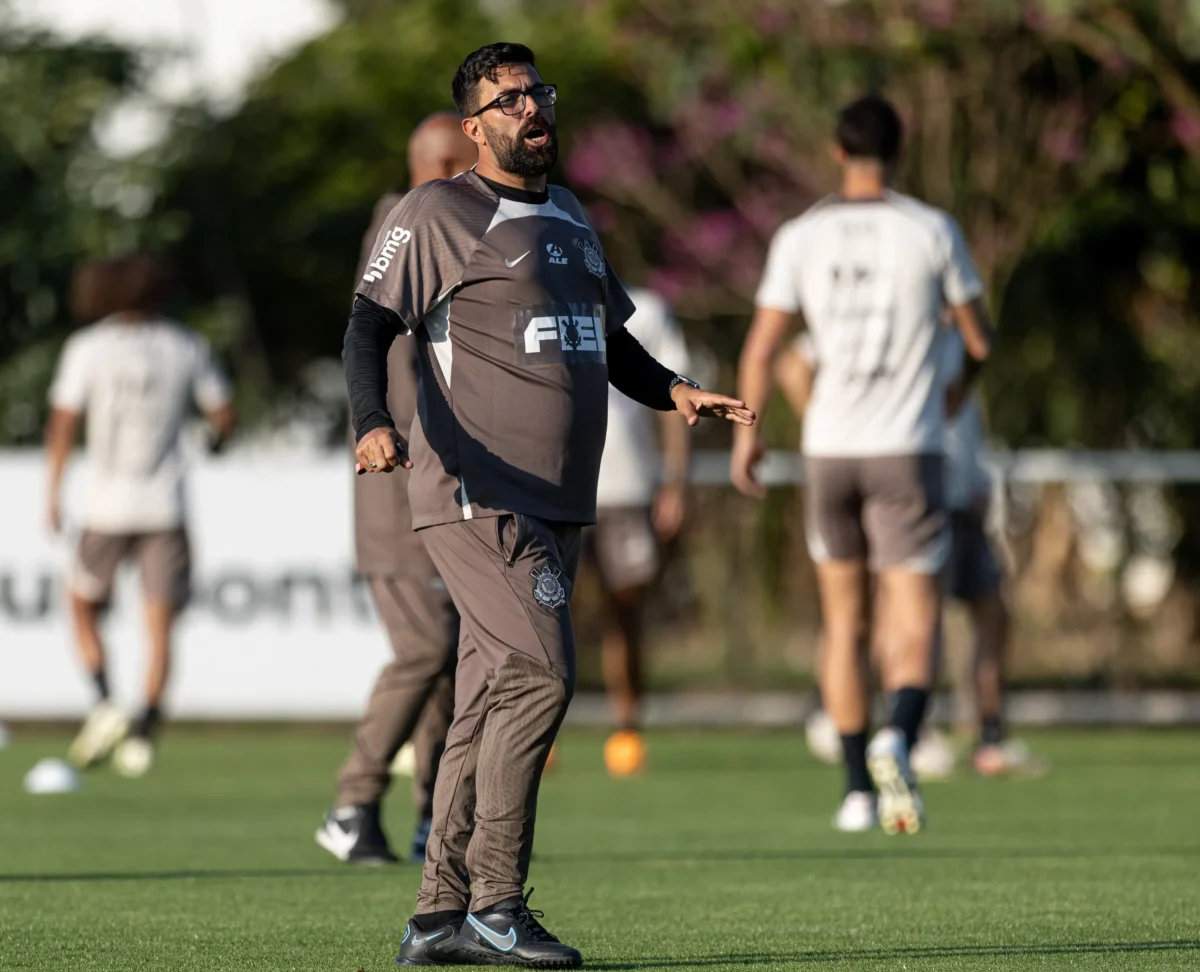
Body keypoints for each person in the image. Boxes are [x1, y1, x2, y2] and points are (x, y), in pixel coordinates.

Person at [344, 42, 754, 968]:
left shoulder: (569, 214)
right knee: (544, 677)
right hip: (475, 492)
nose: (533, 108)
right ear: (473, 126)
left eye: (540, 92)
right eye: (510, 97)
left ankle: (437, 915)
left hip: (560, 501)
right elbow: (367, 326)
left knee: (488, 699)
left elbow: (609, 342)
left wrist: (676, 390)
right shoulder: (437, 211)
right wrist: (371, 421)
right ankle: (497, 899)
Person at [732, 93, 991, 836]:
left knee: (842, 623)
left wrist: (750, 433)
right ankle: (899, 736)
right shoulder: (931, 229)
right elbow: (979, 341)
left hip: (828, 452)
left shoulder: (799, 236)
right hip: (906, 448)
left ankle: (853, 791)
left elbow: (762, 347)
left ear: (836, 152)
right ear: (899, 151)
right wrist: (952, 396)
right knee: (915, 618)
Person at [316, 113, 477, 867]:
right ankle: (352, 802)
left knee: (451, 658)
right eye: (444, 161)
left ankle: (427, 818)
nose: (457, 173)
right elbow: (368, 341)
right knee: (426, 645)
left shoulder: (466, 223)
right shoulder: (403, 223)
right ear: (418, 163)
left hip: (447, 476)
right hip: (393, 476)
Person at [46, 253, 235, 777]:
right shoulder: (185, 344)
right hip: (164, 505)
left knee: (80, 604)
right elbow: (223, 414)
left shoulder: (86, 348)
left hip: (104, 505)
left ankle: (106, 700)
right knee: (159, 626)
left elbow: (62, 424)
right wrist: (214, 442)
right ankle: (144, 733)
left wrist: (52, 493)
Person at [587, 287, 692, 776]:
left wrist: (674, 482)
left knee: (625, 613)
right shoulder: (535, 287)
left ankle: (626, 725)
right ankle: (536, 732)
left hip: (628, 487)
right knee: (543, 615)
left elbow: (674, 392)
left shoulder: (648, 309)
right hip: (558, 485)